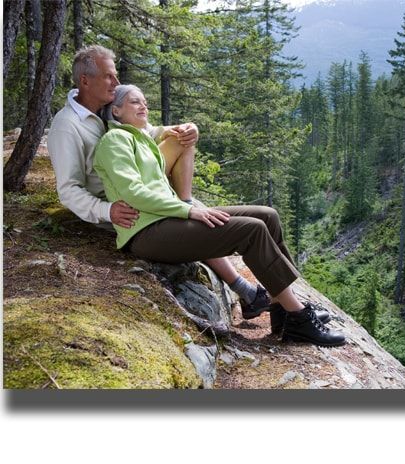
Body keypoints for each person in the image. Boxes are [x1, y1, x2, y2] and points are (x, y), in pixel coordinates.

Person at [93, 84, 345, 347]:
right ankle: (299, 319)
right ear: (116, 110)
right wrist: (189, 209)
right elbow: (133, 193)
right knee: (252, 230)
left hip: (169, 219)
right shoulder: (115, 141)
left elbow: (174, 137)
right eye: (135, 102)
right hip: (147, 231)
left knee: (267, 216)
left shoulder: (143, 138)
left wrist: (187, 134)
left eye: (145, 101)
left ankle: (280, 308)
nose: (143, 106)